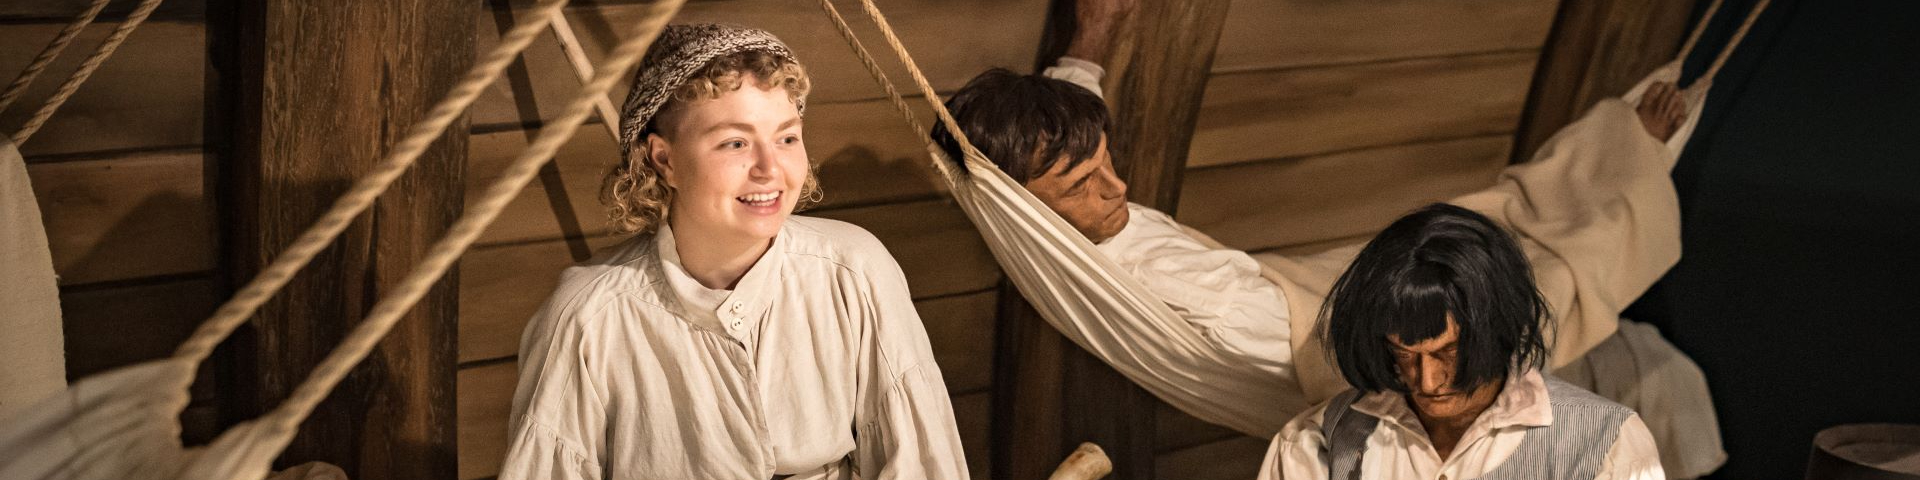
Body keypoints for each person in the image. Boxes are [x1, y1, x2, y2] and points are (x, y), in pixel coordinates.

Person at [932, 0, 1720, 475]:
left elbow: (1067, 116)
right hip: (1306, 324)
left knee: (1505, 217)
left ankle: (1614, 166)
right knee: (1545, 255)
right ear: (1023, 205)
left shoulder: (1040, 184)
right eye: (1083, 188)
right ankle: (1628, 161)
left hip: (1299, 280)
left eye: (1108, 165)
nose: (1120, 189)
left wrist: (1093, 33)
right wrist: (1630, 163)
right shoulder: (1098, 270)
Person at [501, 24, 968, 479]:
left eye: (787, 137)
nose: (770, 168)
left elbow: (923, 464)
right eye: (735, 143)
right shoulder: (588, 318)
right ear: (664, 160)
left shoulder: (854, 271)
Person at [1257, 204, 1663, 479]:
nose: (1427, 382)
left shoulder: (1603, 442)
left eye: (1447, 353)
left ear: (1497, 331)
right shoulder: (1320, 440)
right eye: (1404, 355)